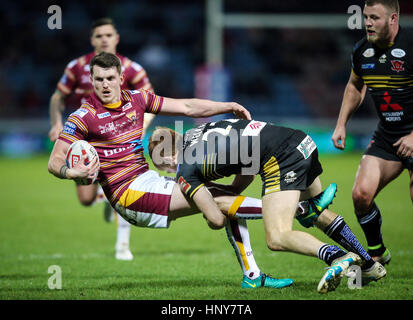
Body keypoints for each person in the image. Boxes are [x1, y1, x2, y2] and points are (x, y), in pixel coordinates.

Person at [48, 51, 299, 289]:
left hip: (148, 180)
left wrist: (227, 105)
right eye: (99, 79)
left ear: (120, 78)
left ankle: (252, 276)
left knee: (225, 200)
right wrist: (71, 173)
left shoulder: (137, 99)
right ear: (91, 80)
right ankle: (300, 210)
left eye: (110, 78)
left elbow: (187, 107)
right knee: (220, 198)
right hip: (128, 195)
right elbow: (54, 161)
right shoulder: (83, 117)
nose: (105, 84)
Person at [148, 119, 387, 293]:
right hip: (300, 140)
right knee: (317, 214)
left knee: (277, 237)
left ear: (168, 159)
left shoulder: (185, 170)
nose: (171, 172)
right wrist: (232, 193)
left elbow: (216, 219)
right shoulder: (202, 130)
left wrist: (216, 202)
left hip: (281, 159)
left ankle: (338, 257)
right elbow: (247, 167)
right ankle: (368, 265)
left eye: (166, 169)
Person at [48, 18, 155, 260]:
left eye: (109, 35)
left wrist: (139, 127)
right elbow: (57, 97)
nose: (104, 39)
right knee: (85, 198)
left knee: (127, 183)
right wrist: (56, 122)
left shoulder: (132, 69)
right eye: (99, 36)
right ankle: (104, 197)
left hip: (119, 139)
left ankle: (123, 245)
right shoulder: (77, 66)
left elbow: (150, 100)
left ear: (117, 38)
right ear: (92, 40)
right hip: (85, 139)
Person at [331, 0, 412, 265]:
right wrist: (341, 123)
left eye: (374, 17)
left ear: (393, 19)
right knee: (361, 194)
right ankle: (377, 252)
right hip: (388, 136)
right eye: (365, 17)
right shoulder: (361, 50)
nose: (367, 23)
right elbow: (355, 86)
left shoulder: (411, 46)